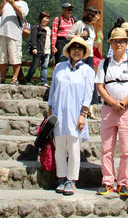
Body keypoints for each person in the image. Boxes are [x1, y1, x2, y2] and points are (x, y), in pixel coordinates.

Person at [95, 28, 128, 197]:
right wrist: (112, 102)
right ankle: (107, 181)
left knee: (127, 149)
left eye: (122, 41)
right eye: (115, 41)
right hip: (109, 110)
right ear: (111, 44)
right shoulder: (104, 63)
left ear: (126, 43)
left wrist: (123, 102)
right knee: (106, 148)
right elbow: (100, 86)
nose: (119, 44)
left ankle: (122, 182)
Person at [47, 36, 95, 196]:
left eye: (80, 48)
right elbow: (52, 90)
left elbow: (88, 94)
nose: (76, 50)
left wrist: (83, 114)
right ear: (68, 50)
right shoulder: (59, 67)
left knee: (74, 148)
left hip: (76, 114)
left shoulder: (87, 70)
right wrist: (49, 112)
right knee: (59, 148)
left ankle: (71, 180)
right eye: (73, 47)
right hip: (58, 113)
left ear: (83, 52)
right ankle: (61, 177)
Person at [0, 0, 29, 85]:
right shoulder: (6, 4)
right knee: (2, 57)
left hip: (14, 34)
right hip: (2, 33)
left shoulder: (23, 4)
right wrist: (3, 4)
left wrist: (13, 4)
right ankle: (2, 77)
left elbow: (22, 14)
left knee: (15, 57)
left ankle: (14, 78)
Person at [25, 11, 52, 86]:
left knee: (45, 66)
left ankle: (44, 82)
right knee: (34, 65)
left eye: (48, 18)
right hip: (38, 50)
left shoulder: (48, 29)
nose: (46, 20)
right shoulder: (36, 27)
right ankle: (27, 79)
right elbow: (33, 38)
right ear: (41, 18)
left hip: (47, 50)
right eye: (45, 18)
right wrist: (34, 47)